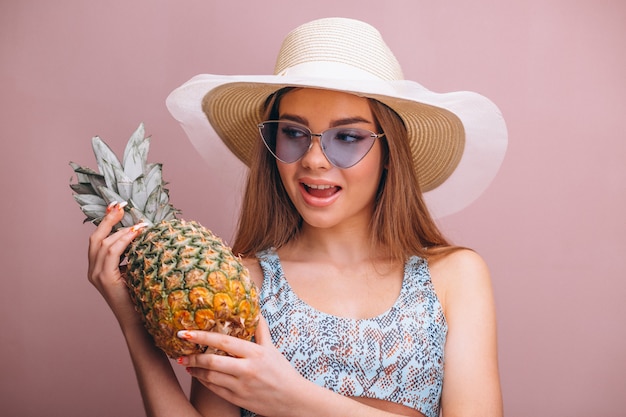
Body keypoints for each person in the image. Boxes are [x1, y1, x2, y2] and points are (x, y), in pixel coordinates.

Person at [88, 17, 507, 417]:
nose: (314, 160)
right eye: (293, 132)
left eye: (346, 136)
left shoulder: (453, 277)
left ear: (388, 153)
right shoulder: (241, 284)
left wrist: (292, 400)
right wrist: (134, 325)